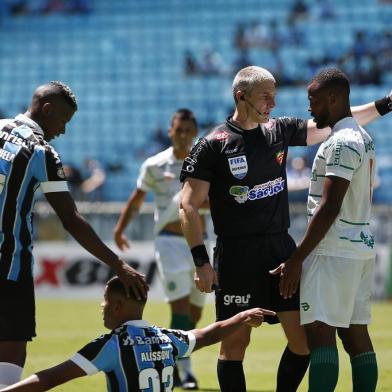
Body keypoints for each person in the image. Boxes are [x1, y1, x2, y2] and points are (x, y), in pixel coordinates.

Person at [179, 65, 391, 392]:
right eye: (266, 96)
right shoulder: (213, 144)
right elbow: (188, 205)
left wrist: (385, 104)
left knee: (304, 342)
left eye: (275, 96)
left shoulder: (279, 130)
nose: (273, 104)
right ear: (241, 96)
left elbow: (336, 122)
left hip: (280, 250)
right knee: (234, 346)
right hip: (236, 254)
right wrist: (200, 261)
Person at [0, 81, 148, 389]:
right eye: (63, 122)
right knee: (11, 342)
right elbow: (71, 220)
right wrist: (118, 264)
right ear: (47, 109)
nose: (63, 131)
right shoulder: (42, 152)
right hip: (8, 267)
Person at [271, 68, 386, 391]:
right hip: (358, 247)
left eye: (314, 100)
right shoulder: (361, 137)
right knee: (355, 336)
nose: (309, 108)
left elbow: (329, 207)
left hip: (333, 250)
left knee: (321, 334)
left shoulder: (341, 143)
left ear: (333, 99)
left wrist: (297, 258)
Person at [0, 276, 276, 392]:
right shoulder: (167, 337)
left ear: (118, 306)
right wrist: (241, 317)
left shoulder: (112, 345)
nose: (101, 306)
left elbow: (50, 378)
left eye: (105, 301)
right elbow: (206, 335)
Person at [113, 108, 207, 389]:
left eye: (189, 130)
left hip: (201, 243)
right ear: (170, 131)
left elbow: (213, 202)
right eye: (179, 130)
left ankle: (173, 359)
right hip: (169, 243)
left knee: (195, 312)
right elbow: (137, 198)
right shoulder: (155, 165)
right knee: (179, 308)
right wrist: (120, 228)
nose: (183, 135)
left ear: (195, 133)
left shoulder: (205, 163)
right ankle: (185, 373)